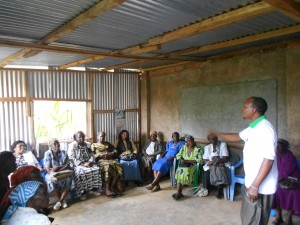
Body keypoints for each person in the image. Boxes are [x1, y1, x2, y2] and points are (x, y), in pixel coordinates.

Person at [214, 96, 278, 225]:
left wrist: (255, 186)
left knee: (255, 220)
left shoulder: (265, 129)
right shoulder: (254, 128)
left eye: (245, 106)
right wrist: (218, 134)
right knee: (248, 218)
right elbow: (237, 136)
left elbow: (269, 160)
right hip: (252, 183)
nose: (242, 108)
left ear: (254, 110)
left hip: (260, 187)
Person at [272, 139, 300, 225]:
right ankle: (278, 217)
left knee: (293, 194)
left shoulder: (290, 157)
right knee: (275, 192)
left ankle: (288, 219)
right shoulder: (275, 155)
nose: (277, 149)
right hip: (279, 179)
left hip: (292, 179)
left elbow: (286, 172)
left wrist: (277, 176)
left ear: (284, 148)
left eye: (279, 147)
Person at [68, 131, 102, 200]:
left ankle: (92, 189)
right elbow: (71, 157)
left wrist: (90, 162)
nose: (82, 138)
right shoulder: (72, 145)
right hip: (77, 165)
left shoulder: (88, 144)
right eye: (79, 137)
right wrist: (82, 164)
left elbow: (92, 154)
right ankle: (82, 192)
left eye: (83, 137)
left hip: (88, 163)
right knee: (81, 173)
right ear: (76, 138)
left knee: (96, 169)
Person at [91, 131, 124, 197]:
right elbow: (92, 155)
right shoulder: (94, 145)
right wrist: (99, 155)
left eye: (103, 136)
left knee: (118, 165)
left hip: (109, 159)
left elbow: (115, 150)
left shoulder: (107, 144)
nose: (102, 138)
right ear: (98, 137)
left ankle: (112, 186)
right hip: (101, 161)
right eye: (100, 136)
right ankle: (107, 188)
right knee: (108, 166)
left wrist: (111, 153)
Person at [44, 139, 72, 210]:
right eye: (55, 144)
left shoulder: (64, 152)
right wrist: (61, 167)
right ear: (50, 146)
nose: (57, 145)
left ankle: (60, 201)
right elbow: (48, 169)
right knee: (50, 181)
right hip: (52, 173)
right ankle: (62, 200)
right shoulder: (48, 153)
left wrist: (57, 168)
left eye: (58, 144)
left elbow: (68, 165)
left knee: (69, 178)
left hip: (63, 172)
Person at [172, 135, 203, 200]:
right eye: (188, 141)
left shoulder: (198, 148)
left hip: (193, 166)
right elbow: (178, 155)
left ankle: (178, 193)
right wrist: (181, 160)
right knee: (179, 171)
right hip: (184, 165)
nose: (190, 142)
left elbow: (200, 160)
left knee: (185, 172)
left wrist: (188, 161)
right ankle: (179, 192)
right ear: (186, 142)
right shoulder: (184, 147)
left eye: (191, 141)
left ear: (193, 141)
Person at [203, 133, 229, 199]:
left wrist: (215, 162)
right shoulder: (207, 147)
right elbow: (205, 158)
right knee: (208, 169)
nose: (214, 141)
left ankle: (219, 190)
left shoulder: (223, 145)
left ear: (217, 139)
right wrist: (209, 162)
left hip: (221, 163)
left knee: (218, 169)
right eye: (212, 139)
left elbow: (225, 158)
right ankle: (206, 188)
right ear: (209, 140)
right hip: (211, 164)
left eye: (215, 139)